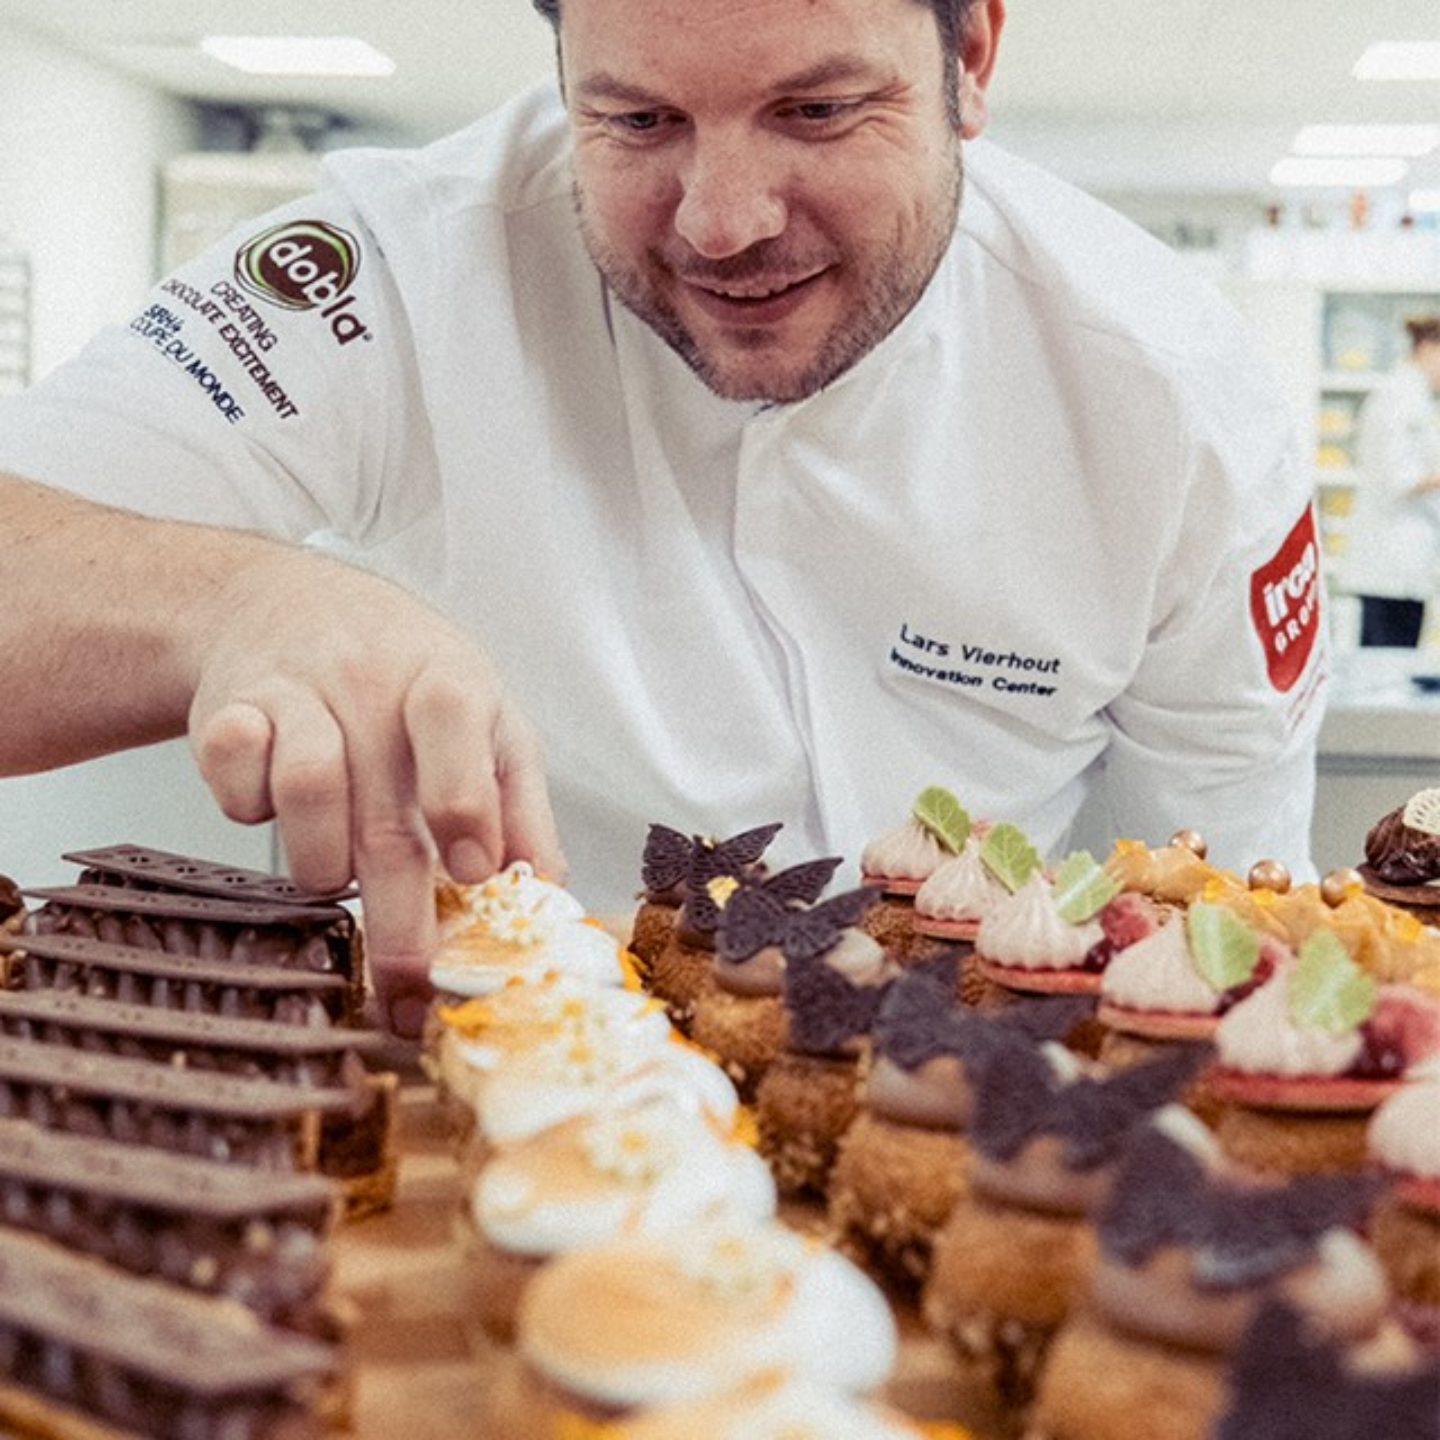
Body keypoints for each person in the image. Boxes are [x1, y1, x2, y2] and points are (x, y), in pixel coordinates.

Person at [0, 0, 1328, 1036]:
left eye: (815, 109)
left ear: (969, 54)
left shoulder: (1173, 400)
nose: (723, 222)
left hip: (957, 1108)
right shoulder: (405, 275)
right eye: (636, 123)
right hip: (500, 1100)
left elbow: (1214, 923)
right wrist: (246, 600)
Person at [1342, 315, 1440, 648]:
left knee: (1393, 663)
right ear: (1429, 348)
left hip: (1404, 562)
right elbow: (1401, 477)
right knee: (1386, 672)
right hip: (1390, 561)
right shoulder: (1400, 397)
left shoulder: (1417, 397)